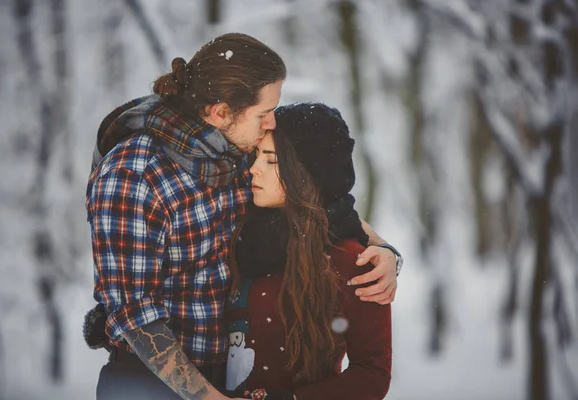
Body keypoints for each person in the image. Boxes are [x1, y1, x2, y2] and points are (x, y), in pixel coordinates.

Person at [86, 32, 400, 400]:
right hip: (146, 383)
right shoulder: (133, 175)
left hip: (228, 374)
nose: (271, 125)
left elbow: (315, 206)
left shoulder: (234, 153)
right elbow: (135, 316)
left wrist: (384, 250)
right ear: (220, 112)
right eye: (263, 114)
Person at [224, 103, 392, 400]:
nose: (253, 169)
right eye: (256, 156)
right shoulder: (235, 233)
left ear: (306, 173)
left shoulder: (353, 263)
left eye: (271, 160)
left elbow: (372, 373)